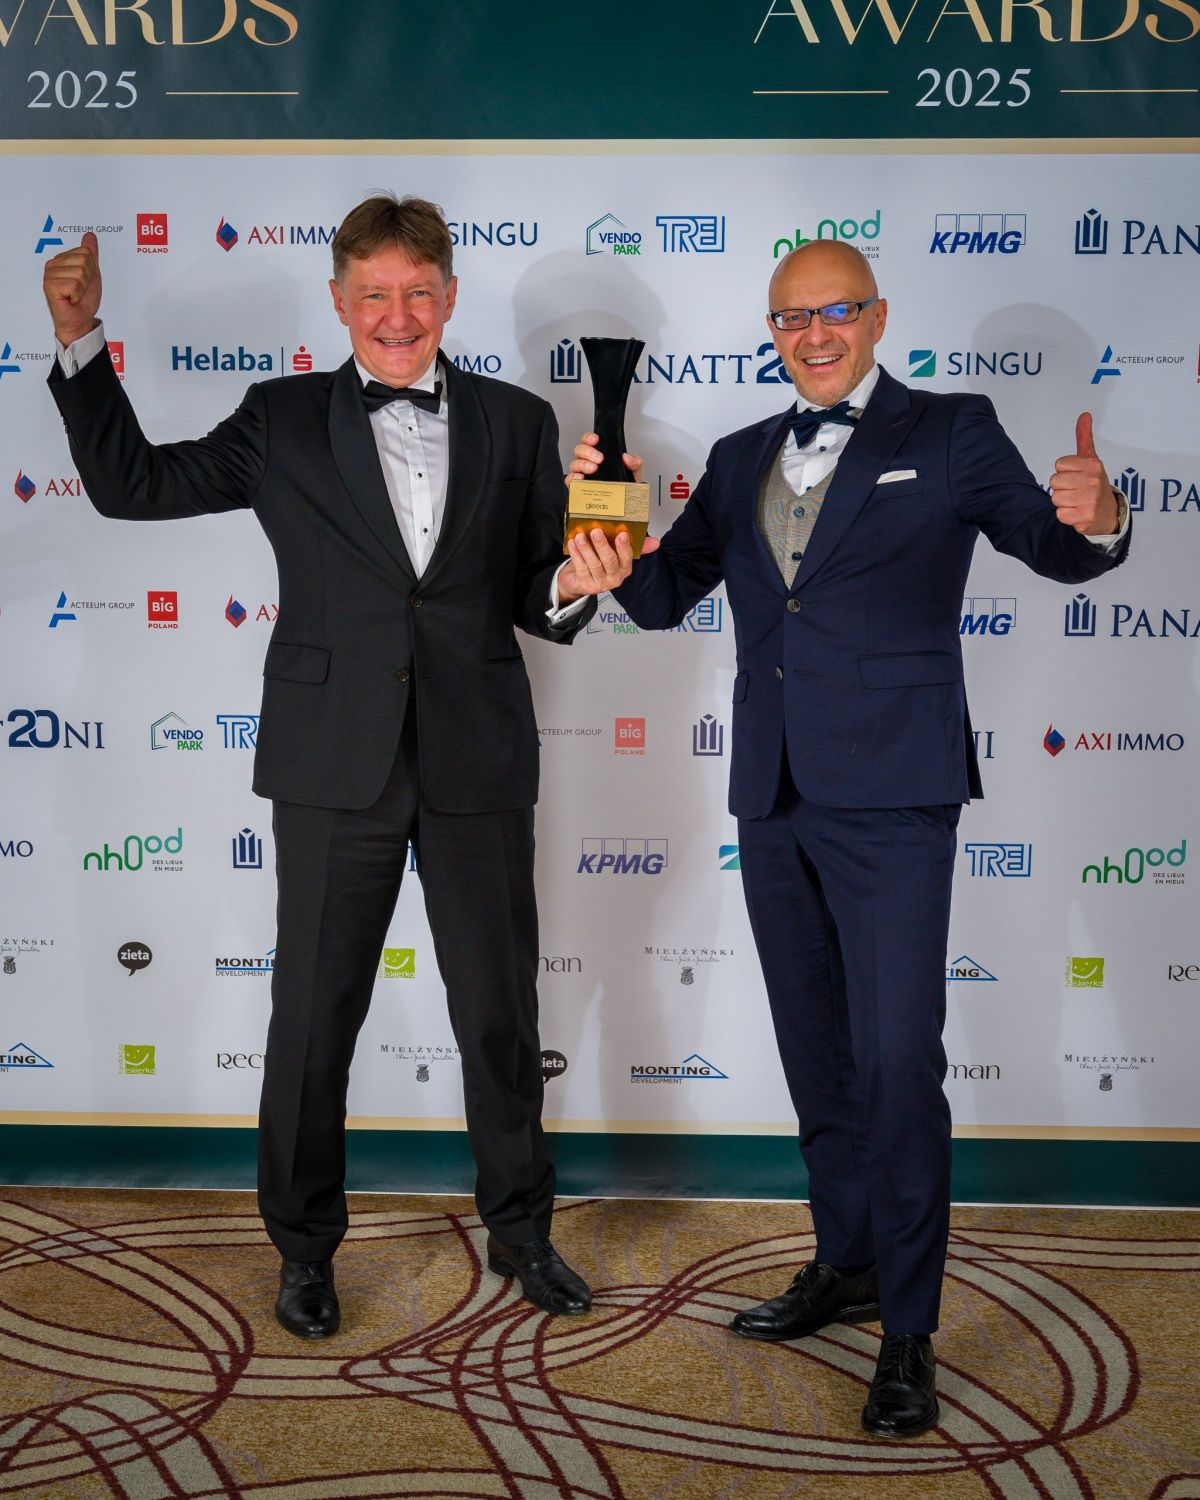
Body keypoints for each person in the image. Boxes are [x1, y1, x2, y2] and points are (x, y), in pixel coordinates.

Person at [562, 239, 1130, 1436]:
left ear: (876, 318)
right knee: (816, 1052)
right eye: (791, 318)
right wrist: (605, 556)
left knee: (896, 1061)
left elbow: (1053, 547)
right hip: (772, 794)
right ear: (772, 331)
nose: (813, 334)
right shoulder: (737, 456)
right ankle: (849, 1260)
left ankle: (910, 1327)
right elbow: (663, 597)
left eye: (836, 312)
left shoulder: (953, 430)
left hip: (897, 795)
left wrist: (1104, 519)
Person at [43, 193, 611, 1339]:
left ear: (449, 296)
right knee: (312, 1022)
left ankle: (520, 1229)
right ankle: (304, 1249)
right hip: (331, 761)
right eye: (375, 295)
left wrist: (575, 582)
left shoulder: (517, 421)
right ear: (341, 302)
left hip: (477, 756)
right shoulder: (283, 416)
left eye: (417, 293)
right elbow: (132, 486)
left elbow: (538, 591)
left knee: (500, 1016)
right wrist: (79, 343)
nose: (397, 316)